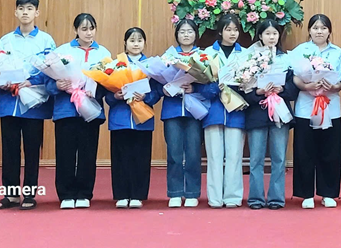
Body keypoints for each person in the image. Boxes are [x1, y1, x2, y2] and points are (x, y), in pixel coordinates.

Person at [0, 0, 56, 211]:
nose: (25, 12)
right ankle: (10, 194)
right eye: (21, 8)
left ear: (37, 12)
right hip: (9, 102)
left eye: (29, 8)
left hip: (34, 103)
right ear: (15, 12)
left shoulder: (46, 40)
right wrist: (1, 82)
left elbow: (52, 70)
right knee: (9, 150)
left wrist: (32, 81)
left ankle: (29, 194)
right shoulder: (5, 40)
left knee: (31, 150)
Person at [47, 13, 109, 209]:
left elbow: (109, 83)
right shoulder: (62, 51)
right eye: (84, 29)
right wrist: (57, 85)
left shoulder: (103, 53)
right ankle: (66, 194)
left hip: (91, 110)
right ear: (75, 30)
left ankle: (84, 193)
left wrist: (96, 90)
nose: (88, 33)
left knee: (88, 153)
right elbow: (48, 83)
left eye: (91, 28)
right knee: (65, 152)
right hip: (66, 110)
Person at [240, 19, 297, 210]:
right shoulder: (250, 59)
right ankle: (255, 198)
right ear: (260, 36)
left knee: (279, 158)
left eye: (274, 33)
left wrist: (282, 89)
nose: (271, 37)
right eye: (267, 33)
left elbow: (294, 88)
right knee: (256, 159)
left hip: (280, 113)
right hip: (257, 113)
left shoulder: (286, 59)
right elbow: (244, 90)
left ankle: (276, 198)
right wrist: (257, 92)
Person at [161, 19, 217, 208]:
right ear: (177, 35)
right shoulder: (168, 57)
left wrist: (195, 88)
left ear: (196, 34)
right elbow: (156, 83)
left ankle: (192, 192)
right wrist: (165, 88)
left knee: (193, 153)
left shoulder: (203, 57)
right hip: (172, 110)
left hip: (195, 112)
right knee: (174, 153)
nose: (186, 35)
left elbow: (212, 86)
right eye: (182, 31)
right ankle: (175, 192)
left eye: (190, 31)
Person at [290, 14, 341, 209]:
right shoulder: (300, 51)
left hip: (330, 107)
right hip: (306, 108)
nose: (319, 31)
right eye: (315, 28)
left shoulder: (338, 52)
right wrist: (306, 86)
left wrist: (334, 86)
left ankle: (328, 193)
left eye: (323, 28)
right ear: (309, 31)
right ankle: (306, 194)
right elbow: (295, 77)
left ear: (329, 31)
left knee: (330, 151)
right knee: (304, 151)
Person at [105, 27, 161, 209]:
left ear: (144, 43)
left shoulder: (151, 65)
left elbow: (157, 91)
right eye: (132, 40)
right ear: (125, 43)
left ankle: (138, 194)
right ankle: (121, 194)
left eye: (139, 40)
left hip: (143, 118)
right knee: (121, 157)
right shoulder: (115, 65)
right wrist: (116, 96)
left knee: (141, 157)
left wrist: (146, 97)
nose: (136, 44)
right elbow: (107, 95)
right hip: (120, 118)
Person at [203, 14, 247, 208]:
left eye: (235, 30)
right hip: (213, 110)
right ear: (220, 32)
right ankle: (214, 197)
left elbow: (251, 83)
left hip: (236, 110)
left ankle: (233, 196)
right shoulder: (206, 54)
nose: (232, 33)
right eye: (228, 30)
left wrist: (242, 85)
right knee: (214, 155)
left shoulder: (245, 54)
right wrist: (215, 87)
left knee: (235, 155)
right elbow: (200, 85)